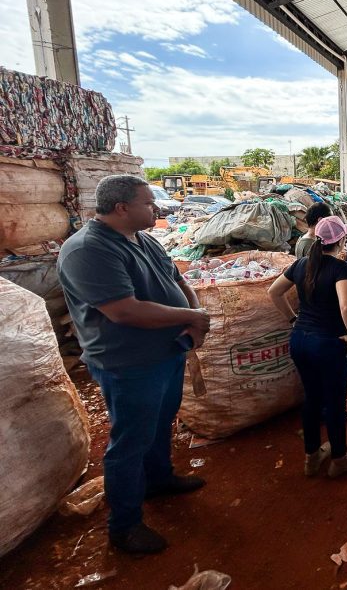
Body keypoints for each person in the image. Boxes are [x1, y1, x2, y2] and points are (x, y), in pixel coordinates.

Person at [57, 175, 211, 555]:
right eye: (148, 203)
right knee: (130, 441)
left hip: (167, 351)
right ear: (121, 207)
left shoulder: (142, 238)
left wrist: (192, 315)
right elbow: (124, 311)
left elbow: (177, 276)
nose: (156, 208)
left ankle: (158, 479)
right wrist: (192, 317)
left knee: (162, 421)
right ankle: (124, 526)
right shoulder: (88, 250)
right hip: (129, 362)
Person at [268, 216, 347, 478]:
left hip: (300, 340)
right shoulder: (340, 269)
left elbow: (273, 292)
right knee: (333, 401)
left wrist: (293, 319)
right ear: (341, 240)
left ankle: (311, 456)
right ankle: (339, 459)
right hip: (329, 343)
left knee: (311, 398)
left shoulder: (301, 264)